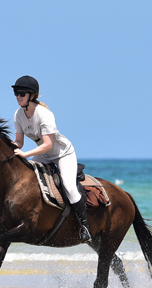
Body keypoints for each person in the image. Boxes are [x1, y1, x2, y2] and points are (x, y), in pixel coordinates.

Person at [10, 75, 92, 242]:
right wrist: (7, 147)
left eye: (21, 93)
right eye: (16, 93)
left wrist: (25, 154)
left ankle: (85, 227)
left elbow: (48, 144)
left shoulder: (44, 114)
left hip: (62, 153)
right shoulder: (18, 114)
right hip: (45, 154)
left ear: (31, 96)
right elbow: (19, 142)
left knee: (69, 187)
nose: (18, 97)